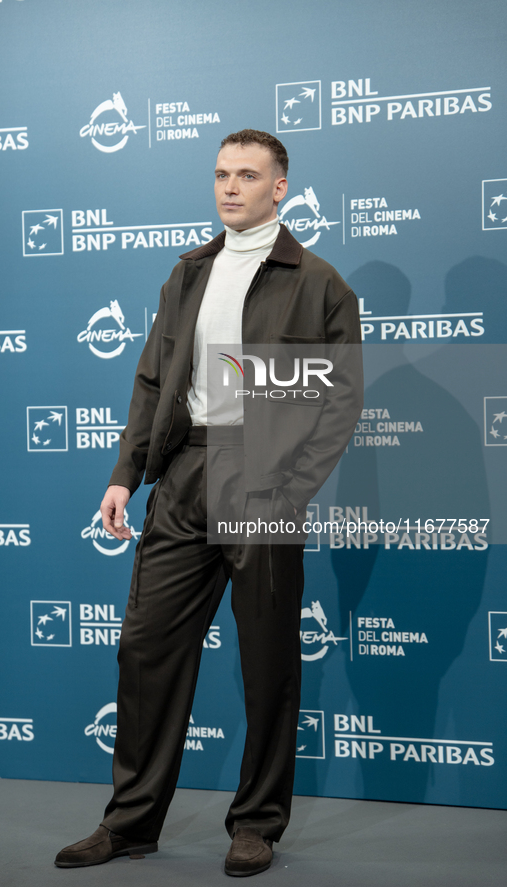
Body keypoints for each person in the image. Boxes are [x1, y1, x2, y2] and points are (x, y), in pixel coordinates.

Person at [55, 129, 362, 876]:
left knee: (265, 660)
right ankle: (129, 821)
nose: (230, 187)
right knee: (146, 649)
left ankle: (255, 823)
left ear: (279, 188)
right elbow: (153, 381)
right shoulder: (186, 272)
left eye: (248, 175)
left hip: (261, 482)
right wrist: (125, 473)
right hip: (185, 476)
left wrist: (285, 491)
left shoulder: (317, 281)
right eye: (221, 173)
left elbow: (340, 402)